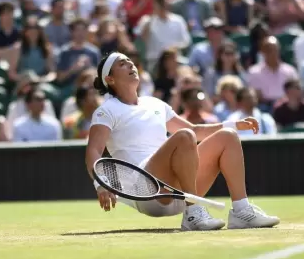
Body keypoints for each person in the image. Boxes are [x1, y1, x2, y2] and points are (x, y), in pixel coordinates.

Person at [86, 51, 279, 230]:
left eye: (130, 61)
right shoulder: (106, 110)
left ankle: (241, 211)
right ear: (110, 79)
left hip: (179, 191)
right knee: (185, 136)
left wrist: (234, 124)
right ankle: (193, 213)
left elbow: (195, 129)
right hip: (147, 192)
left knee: (228, 136)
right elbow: (94, 150)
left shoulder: (155, 103)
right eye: (122, 63)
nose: (130, 65)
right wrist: (100, 184)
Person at [246, 36, 299, 110]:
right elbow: (255, 96)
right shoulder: (254, 72)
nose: (272, 53)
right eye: (268, 50)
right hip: (264, 107)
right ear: (262, 52)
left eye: (275, 49)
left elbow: (296, 92)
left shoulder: (290, 71)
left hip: (287, 107)